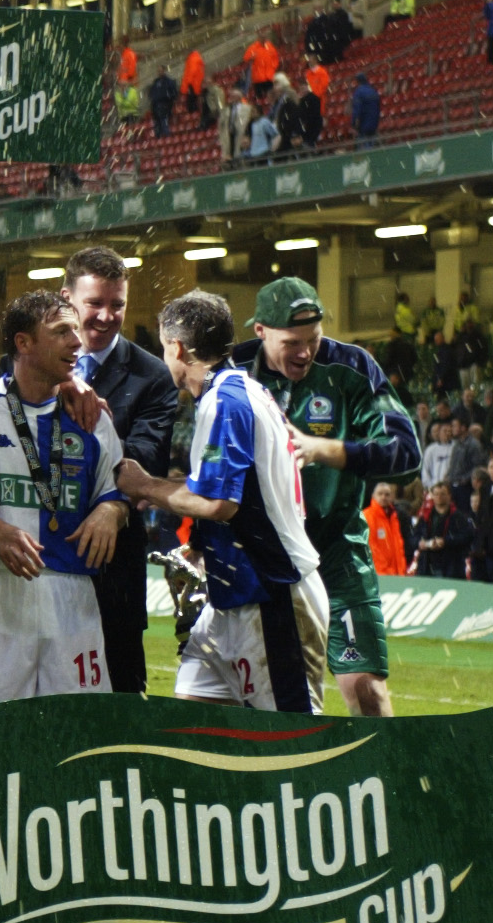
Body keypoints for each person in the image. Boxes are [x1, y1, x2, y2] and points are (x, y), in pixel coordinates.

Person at [116, 291, 327, 713]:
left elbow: (219, 503)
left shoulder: (226, 402)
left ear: (177, 347)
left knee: (293, 745)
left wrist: (143, 485)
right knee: (195, 716)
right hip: (234, 597)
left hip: (273, 594)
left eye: (164, 347)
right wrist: (202, 542)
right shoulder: (239, 392)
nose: (165, 357)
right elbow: (242, 491)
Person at [235, 278, 418, 718]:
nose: (305, 352)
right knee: (255, 689)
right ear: (261, 331)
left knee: (365, 689)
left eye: (313, 340)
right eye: (292, 342)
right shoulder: (234, 368)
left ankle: (387, 781)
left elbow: (406, 455)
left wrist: (327, 451)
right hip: (259, 555)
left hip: (335, 551)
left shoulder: (351, 367)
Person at [0, 290, 128, 707]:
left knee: (79, 734)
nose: (76, 342)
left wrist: (111, 511)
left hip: (75, 596)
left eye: (75, 330)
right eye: (62, 331)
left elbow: (114, 492)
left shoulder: (91, 418)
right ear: (23, 343)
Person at [54, 248, 179, 694]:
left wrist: (113, 506)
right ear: (68, 299)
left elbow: (141, 462)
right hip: (42, 562)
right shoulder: (36, 368)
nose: (107, 316)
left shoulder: (152, 376)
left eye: (118, 304)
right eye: (94, 304)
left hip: (114, 569)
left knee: (122, 704)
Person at [415, 482, 474, 577]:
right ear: (432, 496)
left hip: (451, 565)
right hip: (427, 565)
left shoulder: (459, 517)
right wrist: (420, 543)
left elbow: (467, 537)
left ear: (449, 496)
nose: (439, 497)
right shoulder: (425, 517)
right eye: (436, 494)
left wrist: (446, 541)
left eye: (442, 494)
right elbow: (414, 537)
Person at [365, 481, 410, 575]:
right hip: (380, 574)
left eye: (387, 494)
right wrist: (385, 572)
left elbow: (399, 546)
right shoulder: (367, 516)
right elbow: (372, 549)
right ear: (373, 496)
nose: (383, 497)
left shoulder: (394, 516)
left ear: (392, 497)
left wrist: (401, 570)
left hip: (396, 574)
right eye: (380, 494)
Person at [242, 34, 280, 100]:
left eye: (265, 37)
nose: (264, 39)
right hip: (258, 78)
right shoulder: (252, 48)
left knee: (272, 96)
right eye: (262, 37)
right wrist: (251, 57)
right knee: (260, 98)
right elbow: (246, 58)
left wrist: (273, 67)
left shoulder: (270, 46)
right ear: (258, 38)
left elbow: (275, 58)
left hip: (269, 77)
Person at [147, 68, 177, 136]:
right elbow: (152, 93)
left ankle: (166, 135)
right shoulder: (156, 82)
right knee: (157, 123)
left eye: (161, 71)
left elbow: (173, 93)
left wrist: (168, 99)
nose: (159, 72)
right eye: (158, 71)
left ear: (164, 71)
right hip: (156, 106)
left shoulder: (169, 82)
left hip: (165, 105)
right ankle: (158, 136)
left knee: (164, 121)